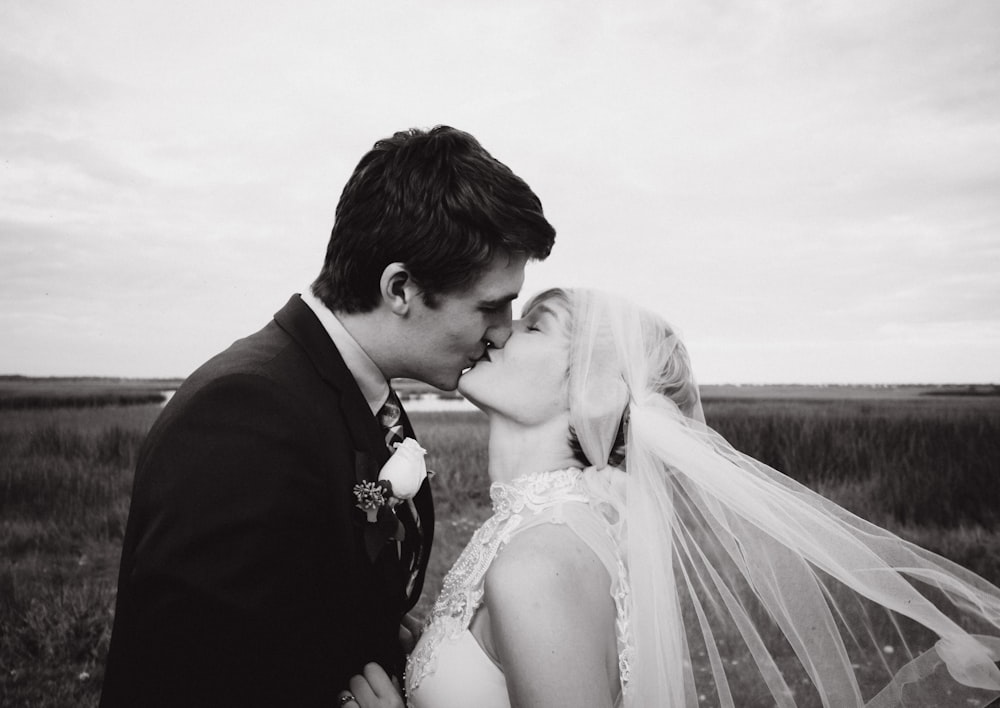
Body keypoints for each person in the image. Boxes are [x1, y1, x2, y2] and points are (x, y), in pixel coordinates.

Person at [99, 126, 556, 708]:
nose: (502, 331)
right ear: (400, 288)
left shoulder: (356, 395)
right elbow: (190, 677)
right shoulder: (243, 416)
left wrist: (366, 638)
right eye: (490, 306)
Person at [389, 288, 997, 707]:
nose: (496, 329)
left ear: (598, 388)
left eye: (534, 324)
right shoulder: (541, 529)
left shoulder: (540, 561)